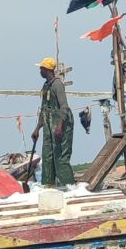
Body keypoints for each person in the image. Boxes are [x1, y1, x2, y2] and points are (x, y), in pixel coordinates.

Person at [31, 57, 75, 188]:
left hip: (61, 123)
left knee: (60, 155)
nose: (39, 71)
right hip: (48, 123)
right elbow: (44, 108)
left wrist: (60, 126)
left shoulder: (57, 85)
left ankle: (69, 186)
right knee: (48, 155)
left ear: (46, 70)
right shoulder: (46, 86)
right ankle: (48, 186)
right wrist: (37, 128)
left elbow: (64, 106)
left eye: (41, 69)